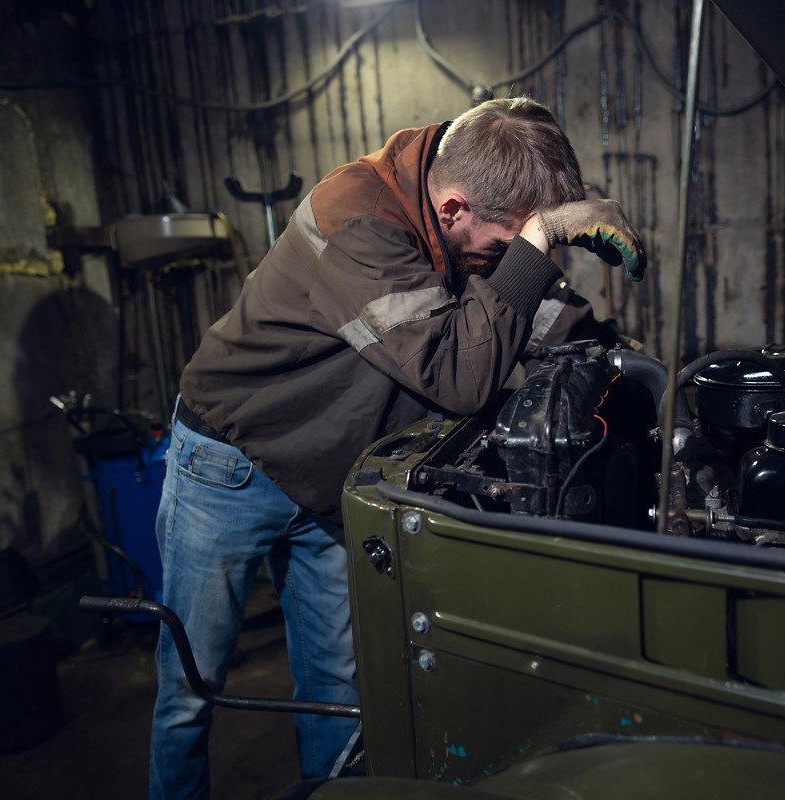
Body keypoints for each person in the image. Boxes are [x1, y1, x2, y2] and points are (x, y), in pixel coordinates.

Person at [149, 96, 645, 799]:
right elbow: (460, 374)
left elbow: (515, 302)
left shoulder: (457, 212)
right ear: (451, 209)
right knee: (191, 685)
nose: (506, 256)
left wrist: (620, 359)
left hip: (327, 473)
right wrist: (535, 242)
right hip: (230, 465)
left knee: (341, 689)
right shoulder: (356, 218)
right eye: (507, 242)